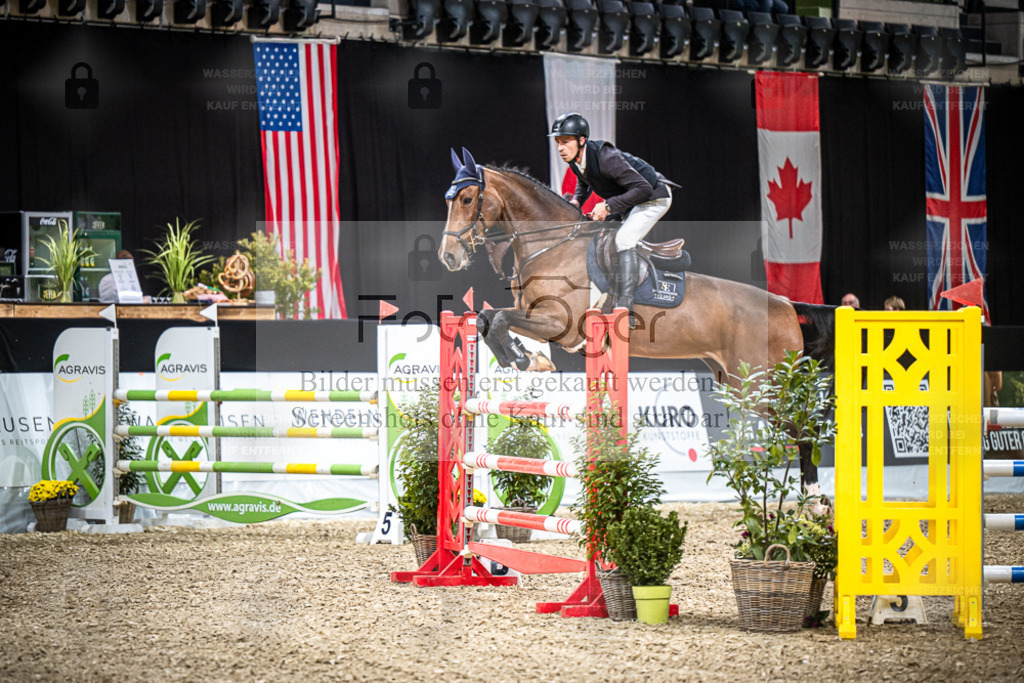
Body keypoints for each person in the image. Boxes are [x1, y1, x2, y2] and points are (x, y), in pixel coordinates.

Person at [550, 112, 676, 328]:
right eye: (558, 142)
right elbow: (584, 180)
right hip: (632, 198)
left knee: (624, 240)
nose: (560, 148)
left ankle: (626, 310)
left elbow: (643, 188)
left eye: (565, 142)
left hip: (653, 197)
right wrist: (578, 201)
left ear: (582, 140)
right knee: (600, 236)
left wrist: (608, 206)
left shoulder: (606, 157)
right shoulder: (576, 158)